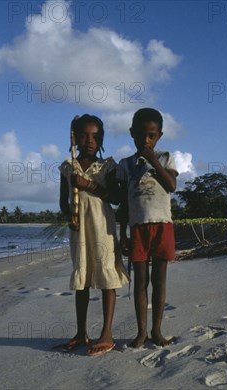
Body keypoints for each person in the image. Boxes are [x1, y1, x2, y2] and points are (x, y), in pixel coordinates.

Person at [59, 114, 129, 356]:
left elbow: (117, 198)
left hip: (103, 228)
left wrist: (89, 185)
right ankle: (81, 333)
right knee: (83, 279)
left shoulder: (107, 166)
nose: (90, 140)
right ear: (74, 138)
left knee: (106, 276)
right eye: (84, 135)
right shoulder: (68, 168)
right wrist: (70, 215)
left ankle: (107, 333)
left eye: (95, 136)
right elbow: (63, 202)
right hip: (79, 231)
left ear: (101, 140)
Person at [117, 108, 178, 348]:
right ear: (132, 133)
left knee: (159, 280)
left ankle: (157, 330)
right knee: (140, 281)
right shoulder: (126, 164)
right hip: (138, 227)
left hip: (162, 225)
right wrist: (123, 233)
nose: (146, 140)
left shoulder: (165, 157)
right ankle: (141, 332)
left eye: (151, 135)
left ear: (159, 135)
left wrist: (152, 160)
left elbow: (172, 185)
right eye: (141, 134)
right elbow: (122, 203)